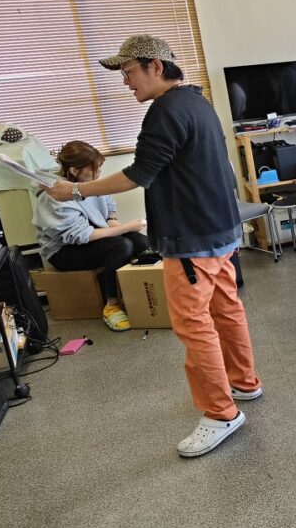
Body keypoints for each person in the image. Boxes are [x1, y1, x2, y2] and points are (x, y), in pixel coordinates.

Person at [45, 35, 262, 458]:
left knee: (193, 324)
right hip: (220, 228)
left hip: (192, 237)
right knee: (226, 309)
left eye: (129, 72)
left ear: (155, 67)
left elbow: (138, 174)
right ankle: (244, 382)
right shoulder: (196, 101)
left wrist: (75, 190)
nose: (126, 82)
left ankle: (221, 413)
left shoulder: (165, 110)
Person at [34, 140, 150, 332]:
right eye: (95, 169)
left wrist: (113, 220)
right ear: (74, 170)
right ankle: (111, 305)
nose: (100, 173)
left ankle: (149, 291)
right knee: (122, 245)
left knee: (139, 241)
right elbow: (80, 235)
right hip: (64, 251)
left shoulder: (90, 184)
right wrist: (124, 228)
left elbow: (109, 206)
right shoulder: (55, 195)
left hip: (93, 237)